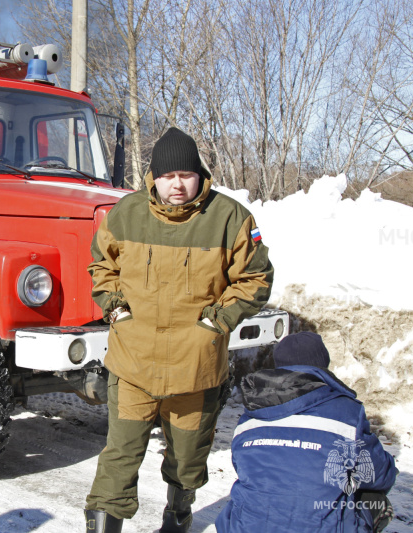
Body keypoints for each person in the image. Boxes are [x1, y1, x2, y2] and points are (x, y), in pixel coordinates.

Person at [85, 127, 274, 533]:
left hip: (196, 369)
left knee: (188, 462)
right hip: (133, 363)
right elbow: (102, 266)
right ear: (154, 176)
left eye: (185, 175)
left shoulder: (229, 218)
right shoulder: (127, 213)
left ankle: (178, 513)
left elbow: (255, 278)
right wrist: (117, 310)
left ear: (199, 174)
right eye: (168, 176)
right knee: (120, 457)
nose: (177, 184)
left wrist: (216, 322)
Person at [216, 332, 397, 532]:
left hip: (246, 528)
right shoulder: (346, 410)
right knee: (374, 499)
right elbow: (381, 474)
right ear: (321, 365)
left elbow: (241, 465)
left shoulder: (251, 412)